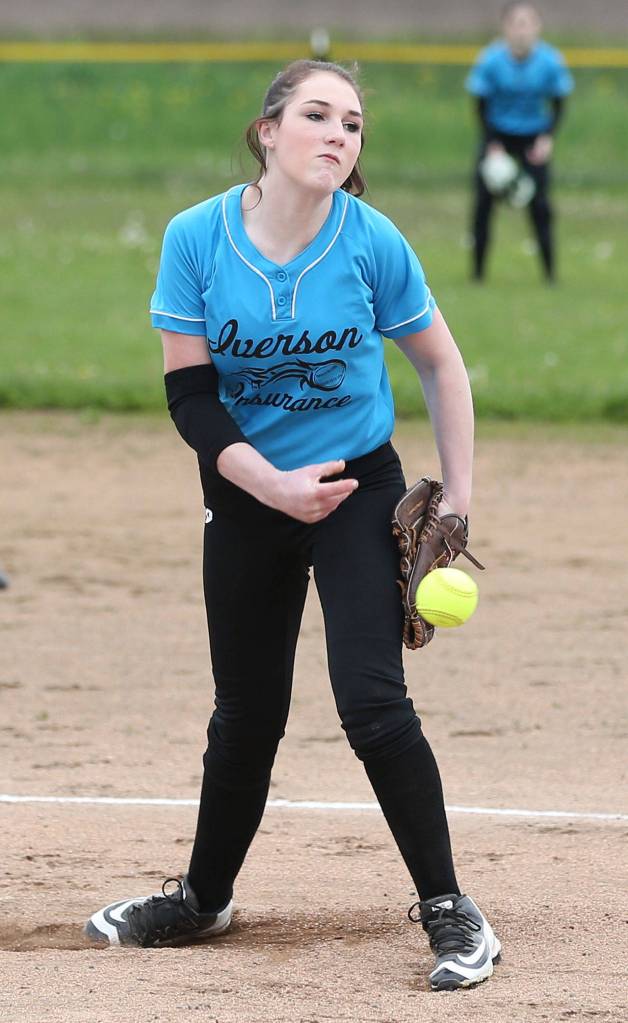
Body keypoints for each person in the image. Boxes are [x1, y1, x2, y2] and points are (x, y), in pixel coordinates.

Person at [85, 59, 501, 992]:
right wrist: (267, 484)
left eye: (352, 123)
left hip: (357, 492)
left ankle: (449, 906)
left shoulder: (370, 240)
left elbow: (442, 364)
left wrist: (460, 498)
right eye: (318, 114)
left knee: (372, 702)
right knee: (246, 716)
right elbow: (191, 398)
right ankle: (204, 897)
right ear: (267, 131)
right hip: (244, 495)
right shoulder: (196, 237)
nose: (339, 134)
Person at [466, 2, 574, 282]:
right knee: (483, 204)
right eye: (516, 23)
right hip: (498, 135)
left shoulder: (550, 61)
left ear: (537, 27)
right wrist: (491, 142)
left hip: (532, 138)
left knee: (540, 206)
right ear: (506, 27)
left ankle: (550, 275)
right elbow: (480, 104)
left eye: (527, 23)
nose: (521, 30)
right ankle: (478, 275)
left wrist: (546, 138)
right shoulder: (490, 59)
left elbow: (559, 104)